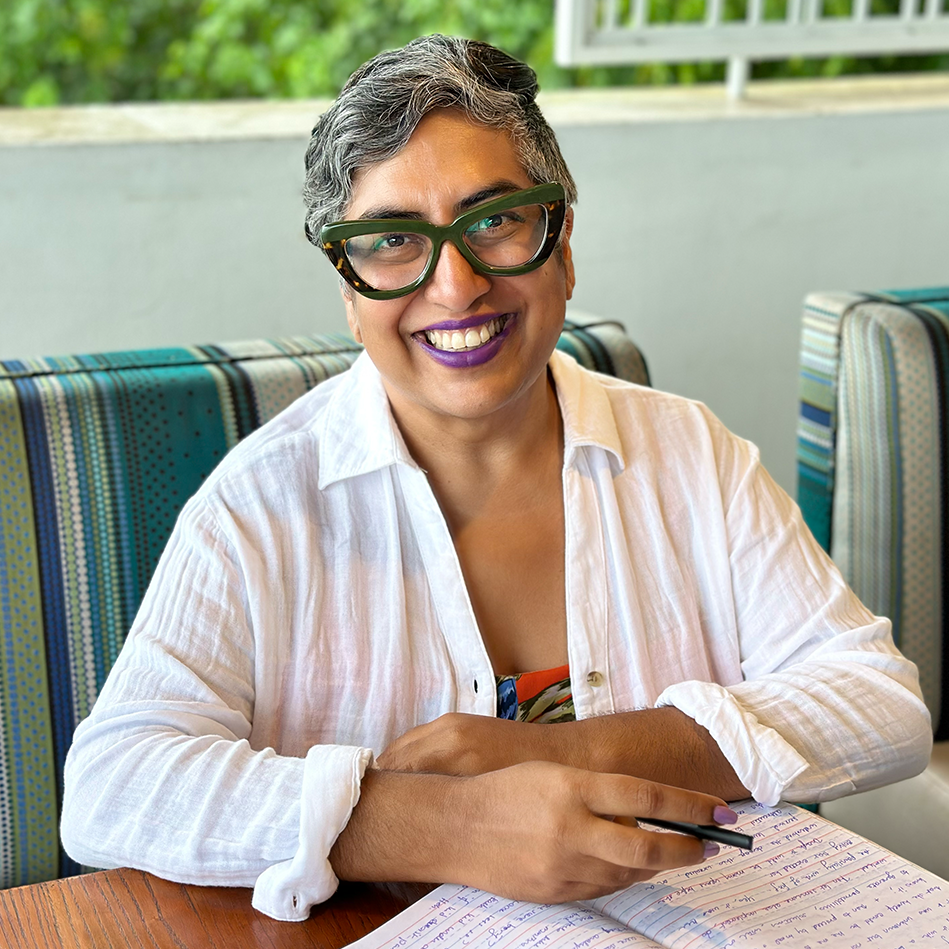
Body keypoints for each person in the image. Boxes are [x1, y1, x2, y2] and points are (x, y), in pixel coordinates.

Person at [60, 34, 932, 923]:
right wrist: (433, 820)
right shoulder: (259, 504)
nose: (455, 283)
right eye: (393, 239)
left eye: (494, 219)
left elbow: (878, 701)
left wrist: (570, 755)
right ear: (349, 291)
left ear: (560, 247)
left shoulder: (690, 453)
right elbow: (113, 783)